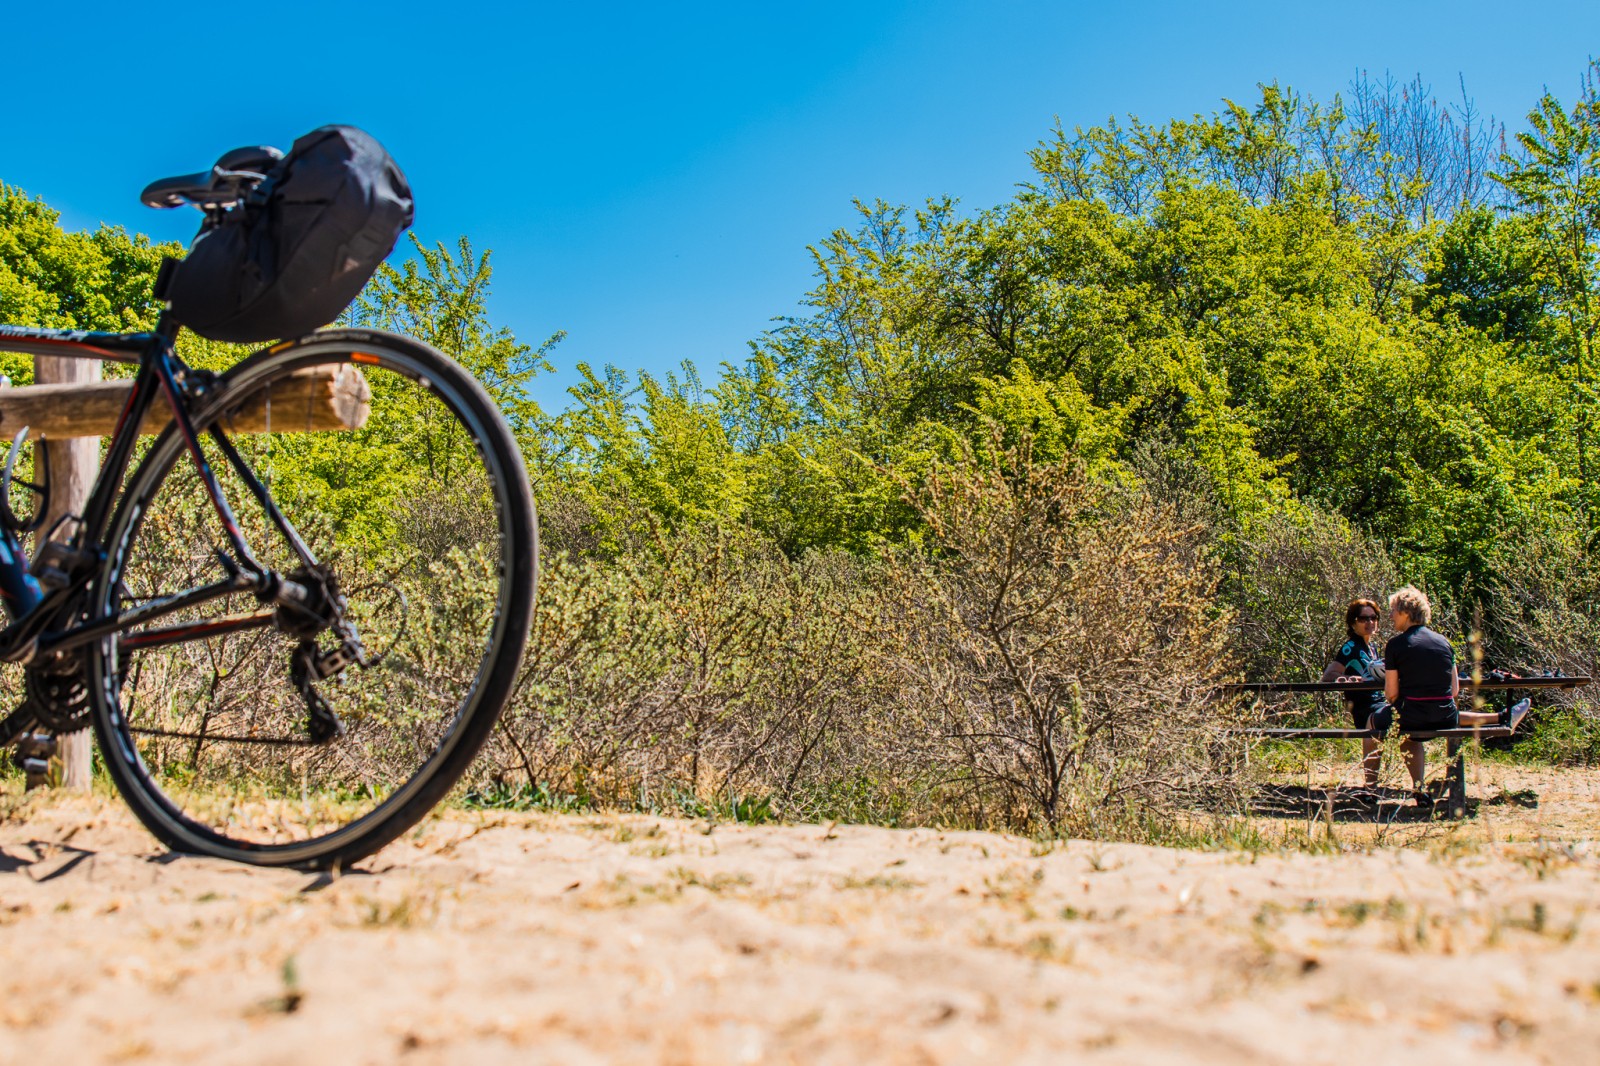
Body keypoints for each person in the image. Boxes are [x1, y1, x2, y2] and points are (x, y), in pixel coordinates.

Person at [1381, 585, 1501, 803]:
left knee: (1377, 720)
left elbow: (1390, 694)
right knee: (1408, 728)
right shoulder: (1444, 642)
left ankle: (1376, 787)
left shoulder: (1395, 645)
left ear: (1405, 612)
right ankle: (1422, 790)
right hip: (1446, 716)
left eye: (1393, 610)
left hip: (1412, 716)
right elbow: (1454, 690)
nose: (1390, 616)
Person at [1321, 598, 1387, 787]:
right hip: (1365, 708)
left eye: (1373, 618)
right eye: (1363, 618)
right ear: (1353, 622)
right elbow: (1328, 675)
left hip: (1380, 702)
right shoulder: (1350, 647)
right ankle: (1371, 785)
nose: (1369, 622)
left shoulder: (1372, 648)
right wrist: (1346, 679)